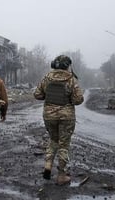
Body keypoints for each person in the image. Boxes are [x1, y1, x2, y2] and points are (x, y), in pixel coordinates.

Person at [33, 55, 84, 185]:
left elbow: (37, 94)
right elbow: (78, 100)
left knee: (53, 140)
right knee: (64, 144)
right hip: (66, 117)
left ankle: (48, 165)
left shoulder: (47, 78)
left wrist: (48, 97)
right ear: (67, 65)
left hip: (49, 116)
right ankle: (61, 175)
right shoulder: (71, 79)